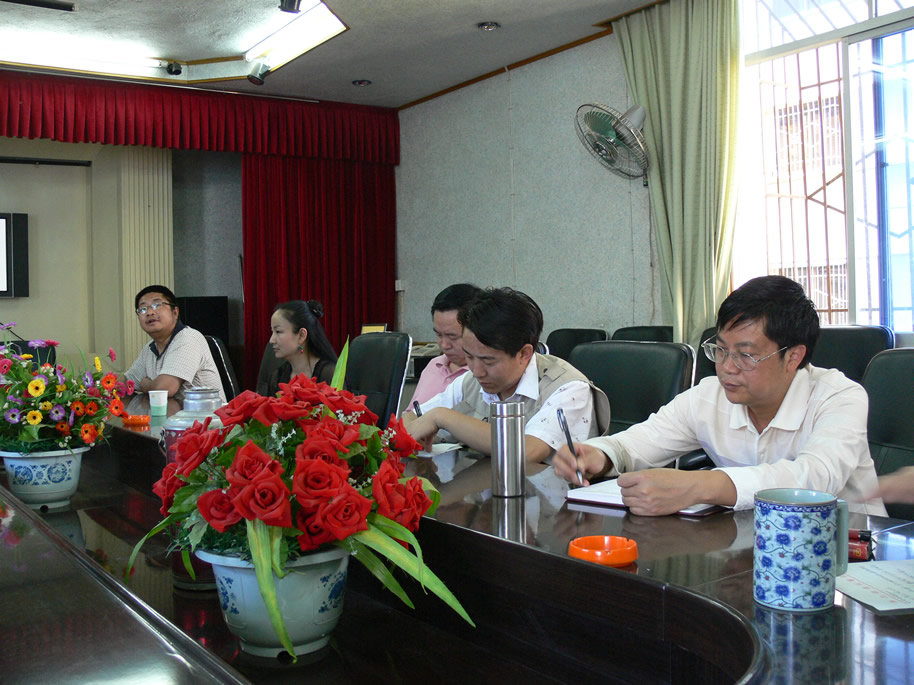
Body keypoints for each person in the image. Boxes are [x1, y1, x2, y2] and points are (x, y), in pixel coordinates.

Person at [554, 275, 887, 516]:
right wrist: (598, 455)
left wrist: (700, 486)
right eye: (721, 350)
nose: (727, 367)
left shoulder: (840, 397)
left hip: (852, 555)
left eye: (745, 355)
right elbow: (635, 444)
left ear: (793, 356)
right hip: (751, 551)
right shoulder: (709, 396)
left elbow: (814, 479)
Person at [405, 287, 609, 463]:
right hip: (484, 489)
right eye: (469, 356)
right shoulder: (470, 382)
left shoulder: (569, 388)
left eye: (488, 361)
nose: (476, 371)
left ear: (524, 354)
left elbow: (526, 451)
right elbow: (410, 419)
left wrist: (442, 417)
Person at [124, 285, 226, 406]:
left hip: (206, 416)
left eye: (157, 305)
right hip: (174, 416)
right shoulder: (150, 349)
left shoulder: (188, 338)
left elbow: (164, 389)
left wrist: (146, 385)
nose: (150, 312)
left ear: (175, 312)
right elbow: (126, 383)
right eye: (143, 309)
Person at [407, 283, 483, 409]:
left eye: (452, 337)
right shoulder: (434, 366)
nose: (444, 345)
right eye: (438, 334)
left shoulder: (484, 376)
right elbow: (409, 414)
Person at [264, 300, 338, 396]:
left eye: (278, 331)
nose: (271, 340)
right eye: (272, 332)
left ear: (301, 335)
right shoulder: (277, 377)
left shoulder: (329, 374)